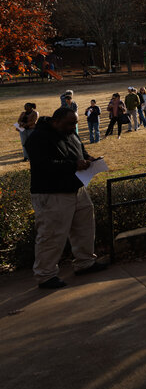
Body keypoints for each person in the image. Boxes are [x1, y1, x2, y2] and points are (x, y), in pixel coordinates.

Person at [25, 107, 108, 289]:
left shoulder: (70, 133)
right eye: (70, 123)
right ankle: (45, 275)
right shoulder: (38, 138)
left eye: (76, 123)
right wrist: (73, 165)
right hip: (52, 194)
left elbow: (81, 151)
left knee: (84, 228)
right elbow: (43, 165)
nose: (74, 127)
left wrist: (89, 159)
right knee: (51, 235)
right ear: (56, 121)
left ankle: (85, 263)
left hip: (77, 189)